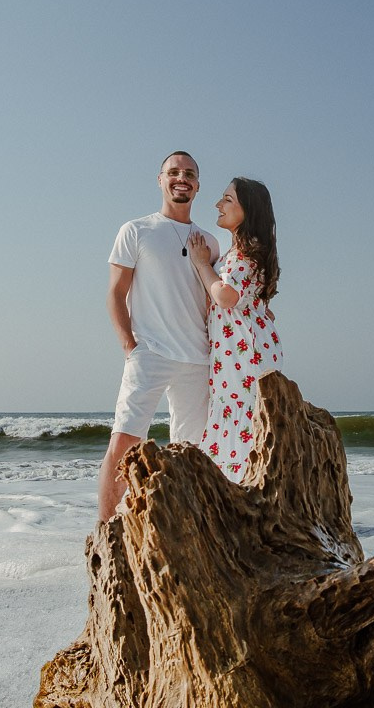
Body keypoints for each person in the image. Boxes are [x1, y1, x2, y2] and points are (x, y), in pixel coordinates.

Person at [98, 151, 220, 522]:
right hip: (149, 353)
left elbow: (216, 298)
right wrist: (130, 347)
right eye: (173, 172)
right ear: (160, 180)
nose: (181, 178)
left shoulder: (211, 243)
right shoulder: (135, 230)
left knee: (189, 452)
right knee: (123, 442)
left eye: (189, 174)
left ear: (197, 185)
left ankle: (181, 529)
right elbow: (115, 294)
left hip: (197, 359)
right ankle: (105, 531)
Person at [187, 177, 282, 482]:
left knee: (240, 417)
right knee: (242, 418)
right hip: (241, 351)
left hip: (243, 355)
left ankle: (240, 490)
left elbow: (225, 296)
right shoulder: (244, 252)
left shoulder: (245, 253)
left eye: (227, 199)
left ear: (248, 210)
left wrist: (202, 264)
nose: (218, 204)